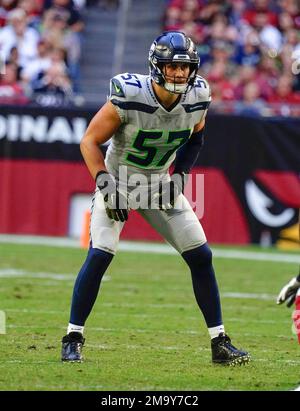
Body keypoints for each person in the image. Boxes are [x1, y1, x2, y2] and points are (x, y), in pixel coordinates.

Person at [61, 31, 250, 365]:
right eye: (171, 66)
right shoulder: (131, 94)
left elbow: (196, 138)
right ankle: (72, 338)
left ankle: (219, 343)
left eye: (185, 67)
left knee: (201, 255)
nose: (179, 74)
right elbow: (89, 141)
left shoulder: (198, 96)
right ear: (156, 66)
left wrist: (179, 176)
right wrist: (106, 186)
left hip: (159, 184)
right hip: (118, 182)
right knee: (101, 254)